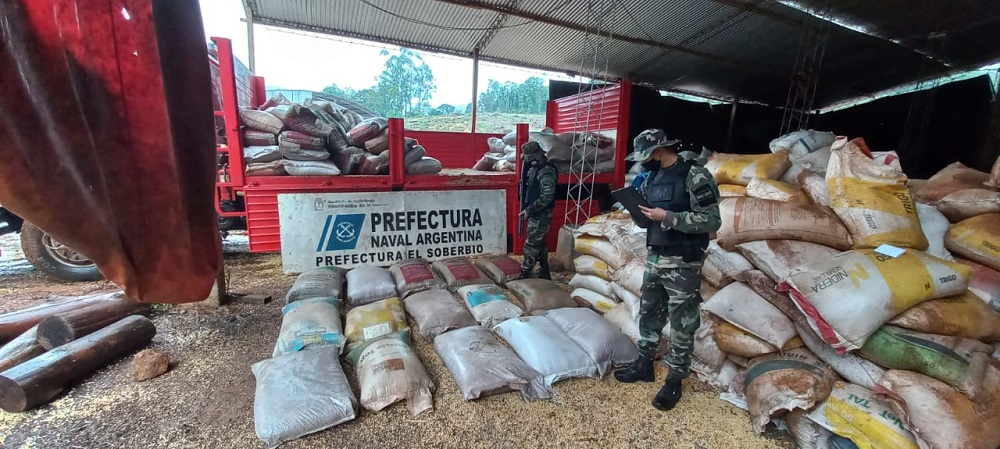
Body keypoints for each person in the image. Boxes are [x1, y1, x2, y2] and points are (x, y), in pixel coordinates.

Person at [614, 129, 721, 412]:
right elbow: (649, 214)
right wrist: (640, 212)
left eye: (646, 155)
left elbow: (712, 220)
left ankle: (675, 379)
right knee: (649, 311)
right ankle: (644, 363)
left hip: (683, 261)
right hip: (656, 257)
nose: (643, 161)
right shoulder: (654, 177)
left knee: (682, 322)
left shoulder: (694, 175)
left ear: (659, 150)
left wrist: (668, 217)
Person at [518, 141, 557, 280]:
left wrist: (530, 209)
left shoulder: (546, 171)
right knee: (540, 243)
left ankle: (525, 272)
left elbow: (547, 196)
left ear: (535, 156)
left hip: (541, 213)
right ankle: (544, 271)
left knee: (532, 244)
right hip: (537, 212)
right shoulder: (536, 168)